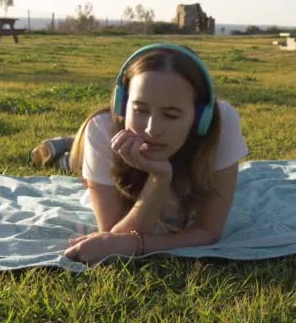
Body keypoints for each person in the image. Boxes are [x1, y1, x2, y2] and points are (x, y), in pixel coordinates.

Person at [61, 44, 248, 264]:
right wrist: (159, 180)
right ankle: (65, 151)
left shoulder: (222, 122)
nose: (152, 130)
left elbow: (208, 230)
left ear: (200, 119)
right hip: (99, 146)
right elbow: (113, 233)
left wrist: (135, 244)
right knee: (72, 162)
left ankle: (64, 147)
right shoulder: (102, 129)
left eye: (171, 115)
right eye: (140, 110)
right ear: (122, 104)